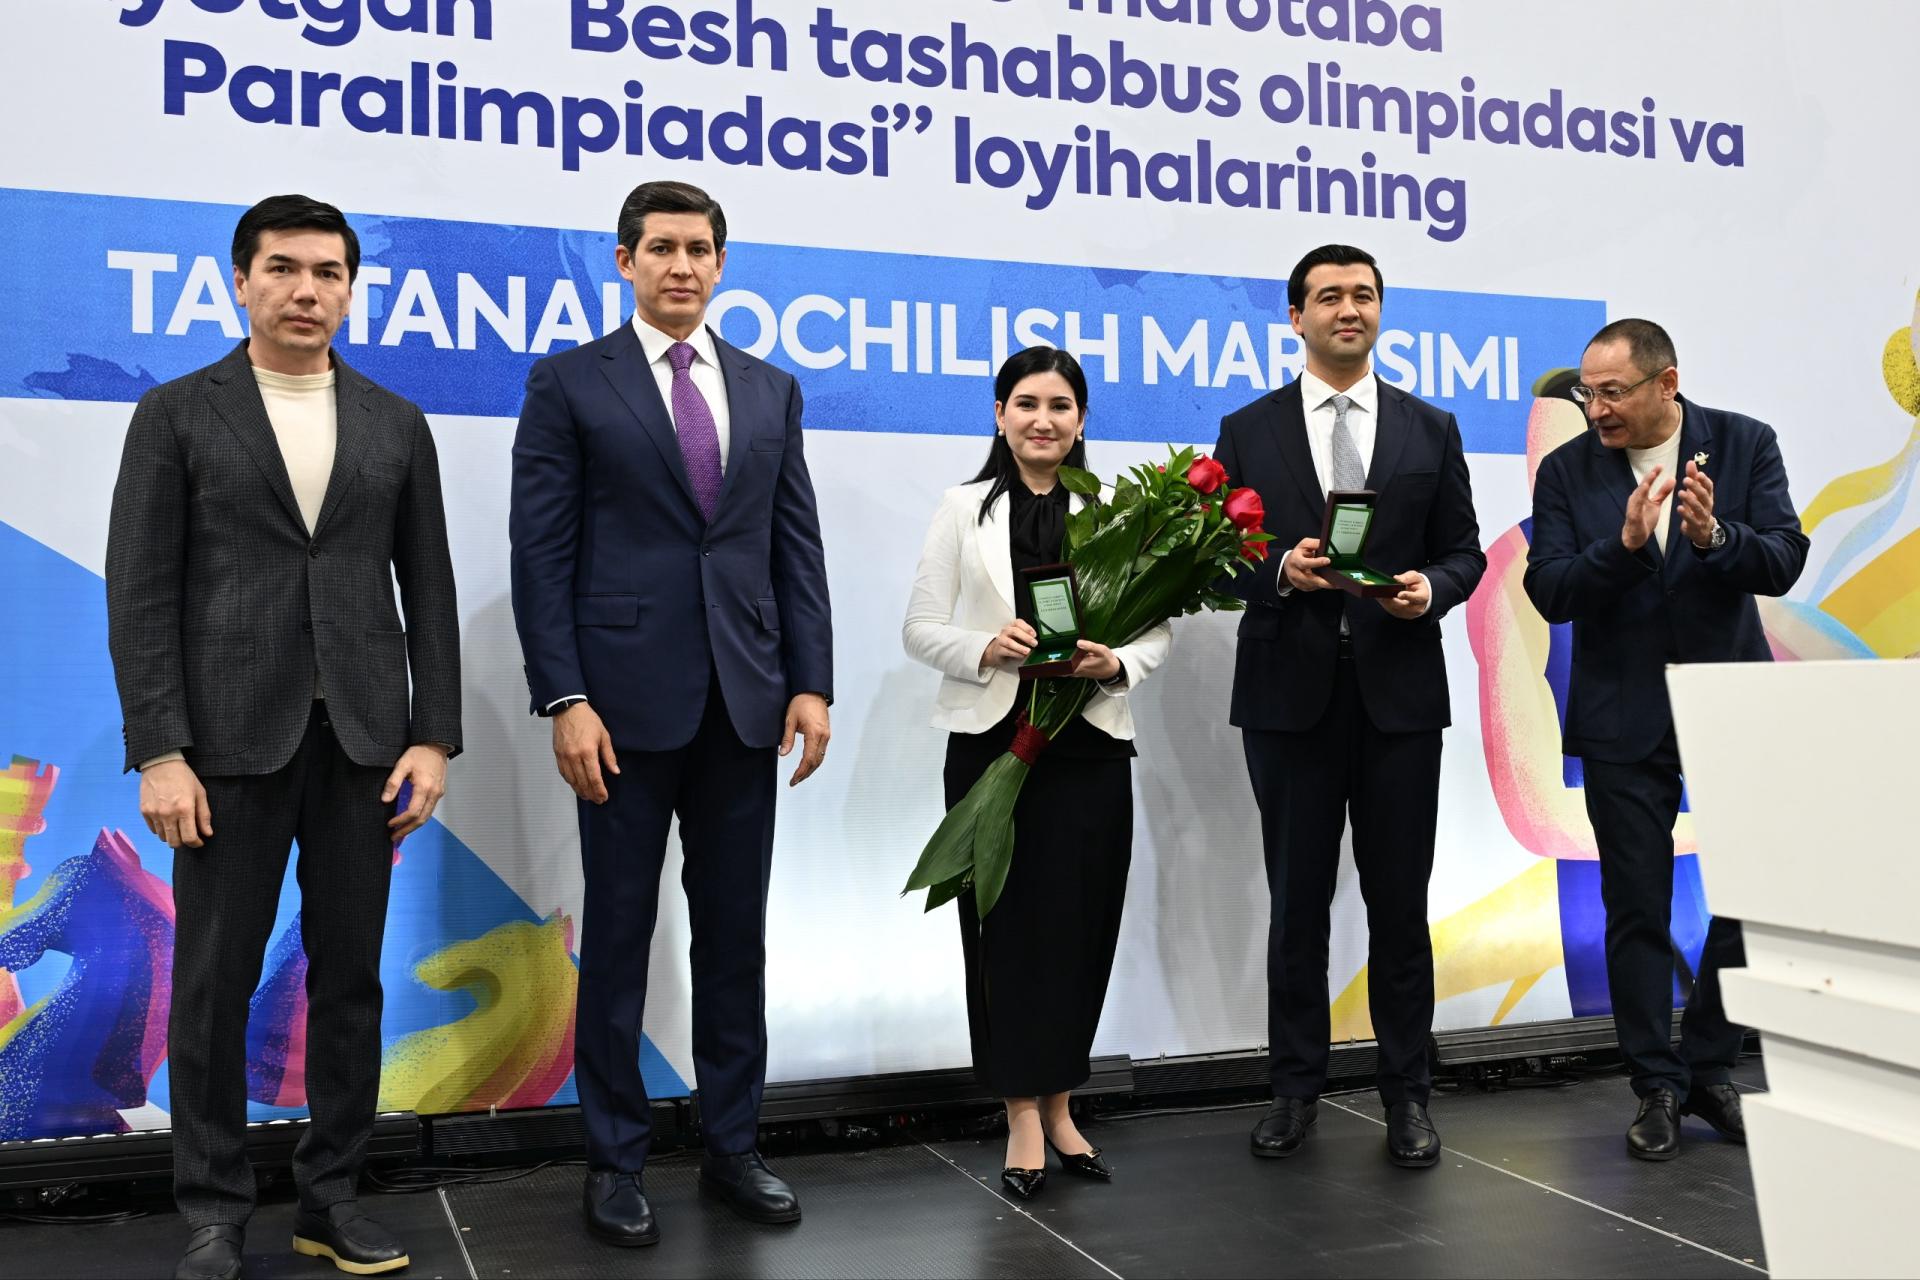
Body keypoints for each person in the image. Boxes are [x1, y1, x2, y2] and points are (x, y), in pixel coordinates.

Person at [106, 194, 460, 1280]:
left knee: (349, 981)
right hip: (223, 749)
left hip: (363, 745)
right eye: (283, 269)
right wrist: (160, 750)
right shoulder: (176, 412)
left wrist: (433, 736)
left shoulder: (396, 421)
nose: (307, 290)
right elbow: (140, 590)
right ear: (241, 281)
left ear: (350, 288)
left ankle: (331, 1198)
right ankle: (214, 1208)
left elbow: (429, 589)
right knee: (213, 982)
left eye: (328, 272)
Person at [509, 180, 833, 1247]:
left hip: (745, 707)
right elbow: (541, 553)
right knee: (618, 938)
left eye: (699, 249)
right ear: (625, 261)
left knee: (736, 941)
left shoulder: (771, 389)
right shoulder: (569, 382)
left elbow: (794, 547)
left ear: (721, 263)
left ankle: (735, 1146)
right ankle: (614, 1159)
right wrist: (565, 697)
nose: (681, 265)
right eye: (661, 248)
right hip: (618, 711)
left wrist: (811, 681)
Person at [1214, 244, 1485, 1169]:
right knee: (1297, 908)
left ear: (1380, 311)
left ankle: (1408, 1095)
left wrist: (1431, 590)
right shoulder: (1247, 430)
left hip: (1398, 699)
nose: (1349, 309)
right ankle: (1295, 1091)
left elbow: (1464, 551)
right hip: (1288, 700)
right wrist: (1277, 572)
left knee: (1400, 906)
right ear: (1296, 317)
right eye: (1329, 296)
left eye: (1364, 295)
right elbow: (1213, 556)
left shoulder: (1429, 427)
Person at [1524, 318, 1807, 1161]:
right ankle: (1655, 1082)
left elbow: (1784, 558)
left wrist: (1715, 538)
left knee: (1753, 893)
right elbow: (1550, 588)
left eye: (1613, 393)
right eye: (1589, 393)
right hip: (1622, 714)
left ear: (1666, 383)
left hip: (1730, 703)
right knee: (1635, 905)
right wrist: (1622, 548)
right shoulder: (1567, 470)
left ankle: (1711, 1065)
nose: (1596, 410)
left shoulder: (1744, 444)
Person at [903, 346, 1171, 1200]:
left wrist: (1115, 662)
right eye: (1026, 403)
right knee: (1007, 932)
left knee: (1081, 927)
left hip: (1089, 743)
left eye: (1060, 405)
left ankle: (1062, 1105)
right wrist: (986, 647)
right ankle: (1021, 1111)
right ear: (999, 414)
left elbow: (1156, 629)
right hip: (995, 743)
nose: (1043, 420)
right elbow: (919, 626)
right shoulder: (962, 507)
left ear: (1082, 420)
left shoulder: (1119, 512)